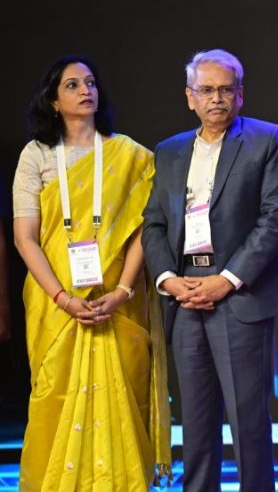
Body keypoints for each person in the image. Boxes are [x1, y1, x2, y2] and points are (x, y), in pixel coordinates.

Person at [142, 49, 278, 491]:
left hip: (239, 295)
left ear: (241, 95)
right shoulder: (170, 151)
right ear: (190, 97)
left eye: (226, 89)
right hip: (185, 295)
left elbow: (275, 220)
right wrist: (168, 280)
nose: (217, 99)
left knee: (248, 422)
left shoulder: (267, 140)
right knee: (195, 424)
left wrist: (225, 281)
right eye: (206, 90)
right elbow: (153, 222)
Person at [13, 56, 170, 491]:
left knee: (124, 398)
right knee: (54, 397)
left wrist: (122, 289)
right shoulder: (37, 156)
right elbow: (25, 237)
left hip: (118, 303)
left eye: (91, 82)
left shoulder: (132, 156)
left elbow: (144, 229)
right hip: (55, 305)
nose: (85, 90)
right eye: (72, 85)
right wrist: (63, 298)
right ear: (53, 100)